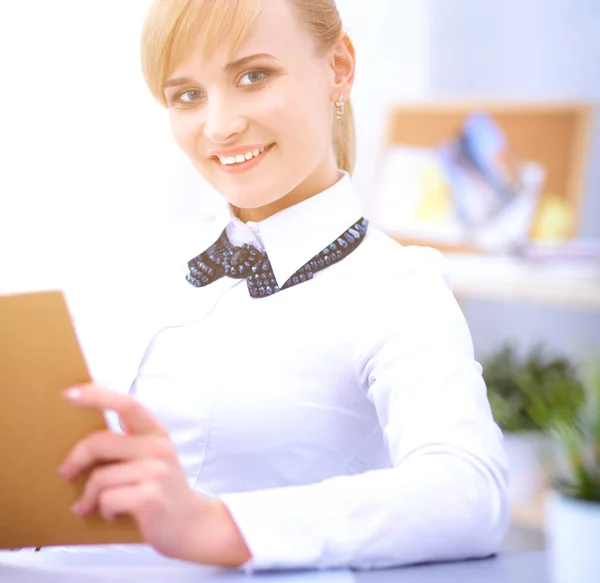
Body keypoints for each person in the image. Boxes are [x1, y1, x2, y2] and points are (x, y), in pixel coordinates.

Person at [55, 0, 509, 572]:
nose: (219, 127)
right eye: (187, 94)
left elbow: (469, 494)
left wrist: (217, 525)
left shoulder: (397, 286)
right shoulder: (140, 263)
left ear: (338, 67)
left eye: (253, 76)